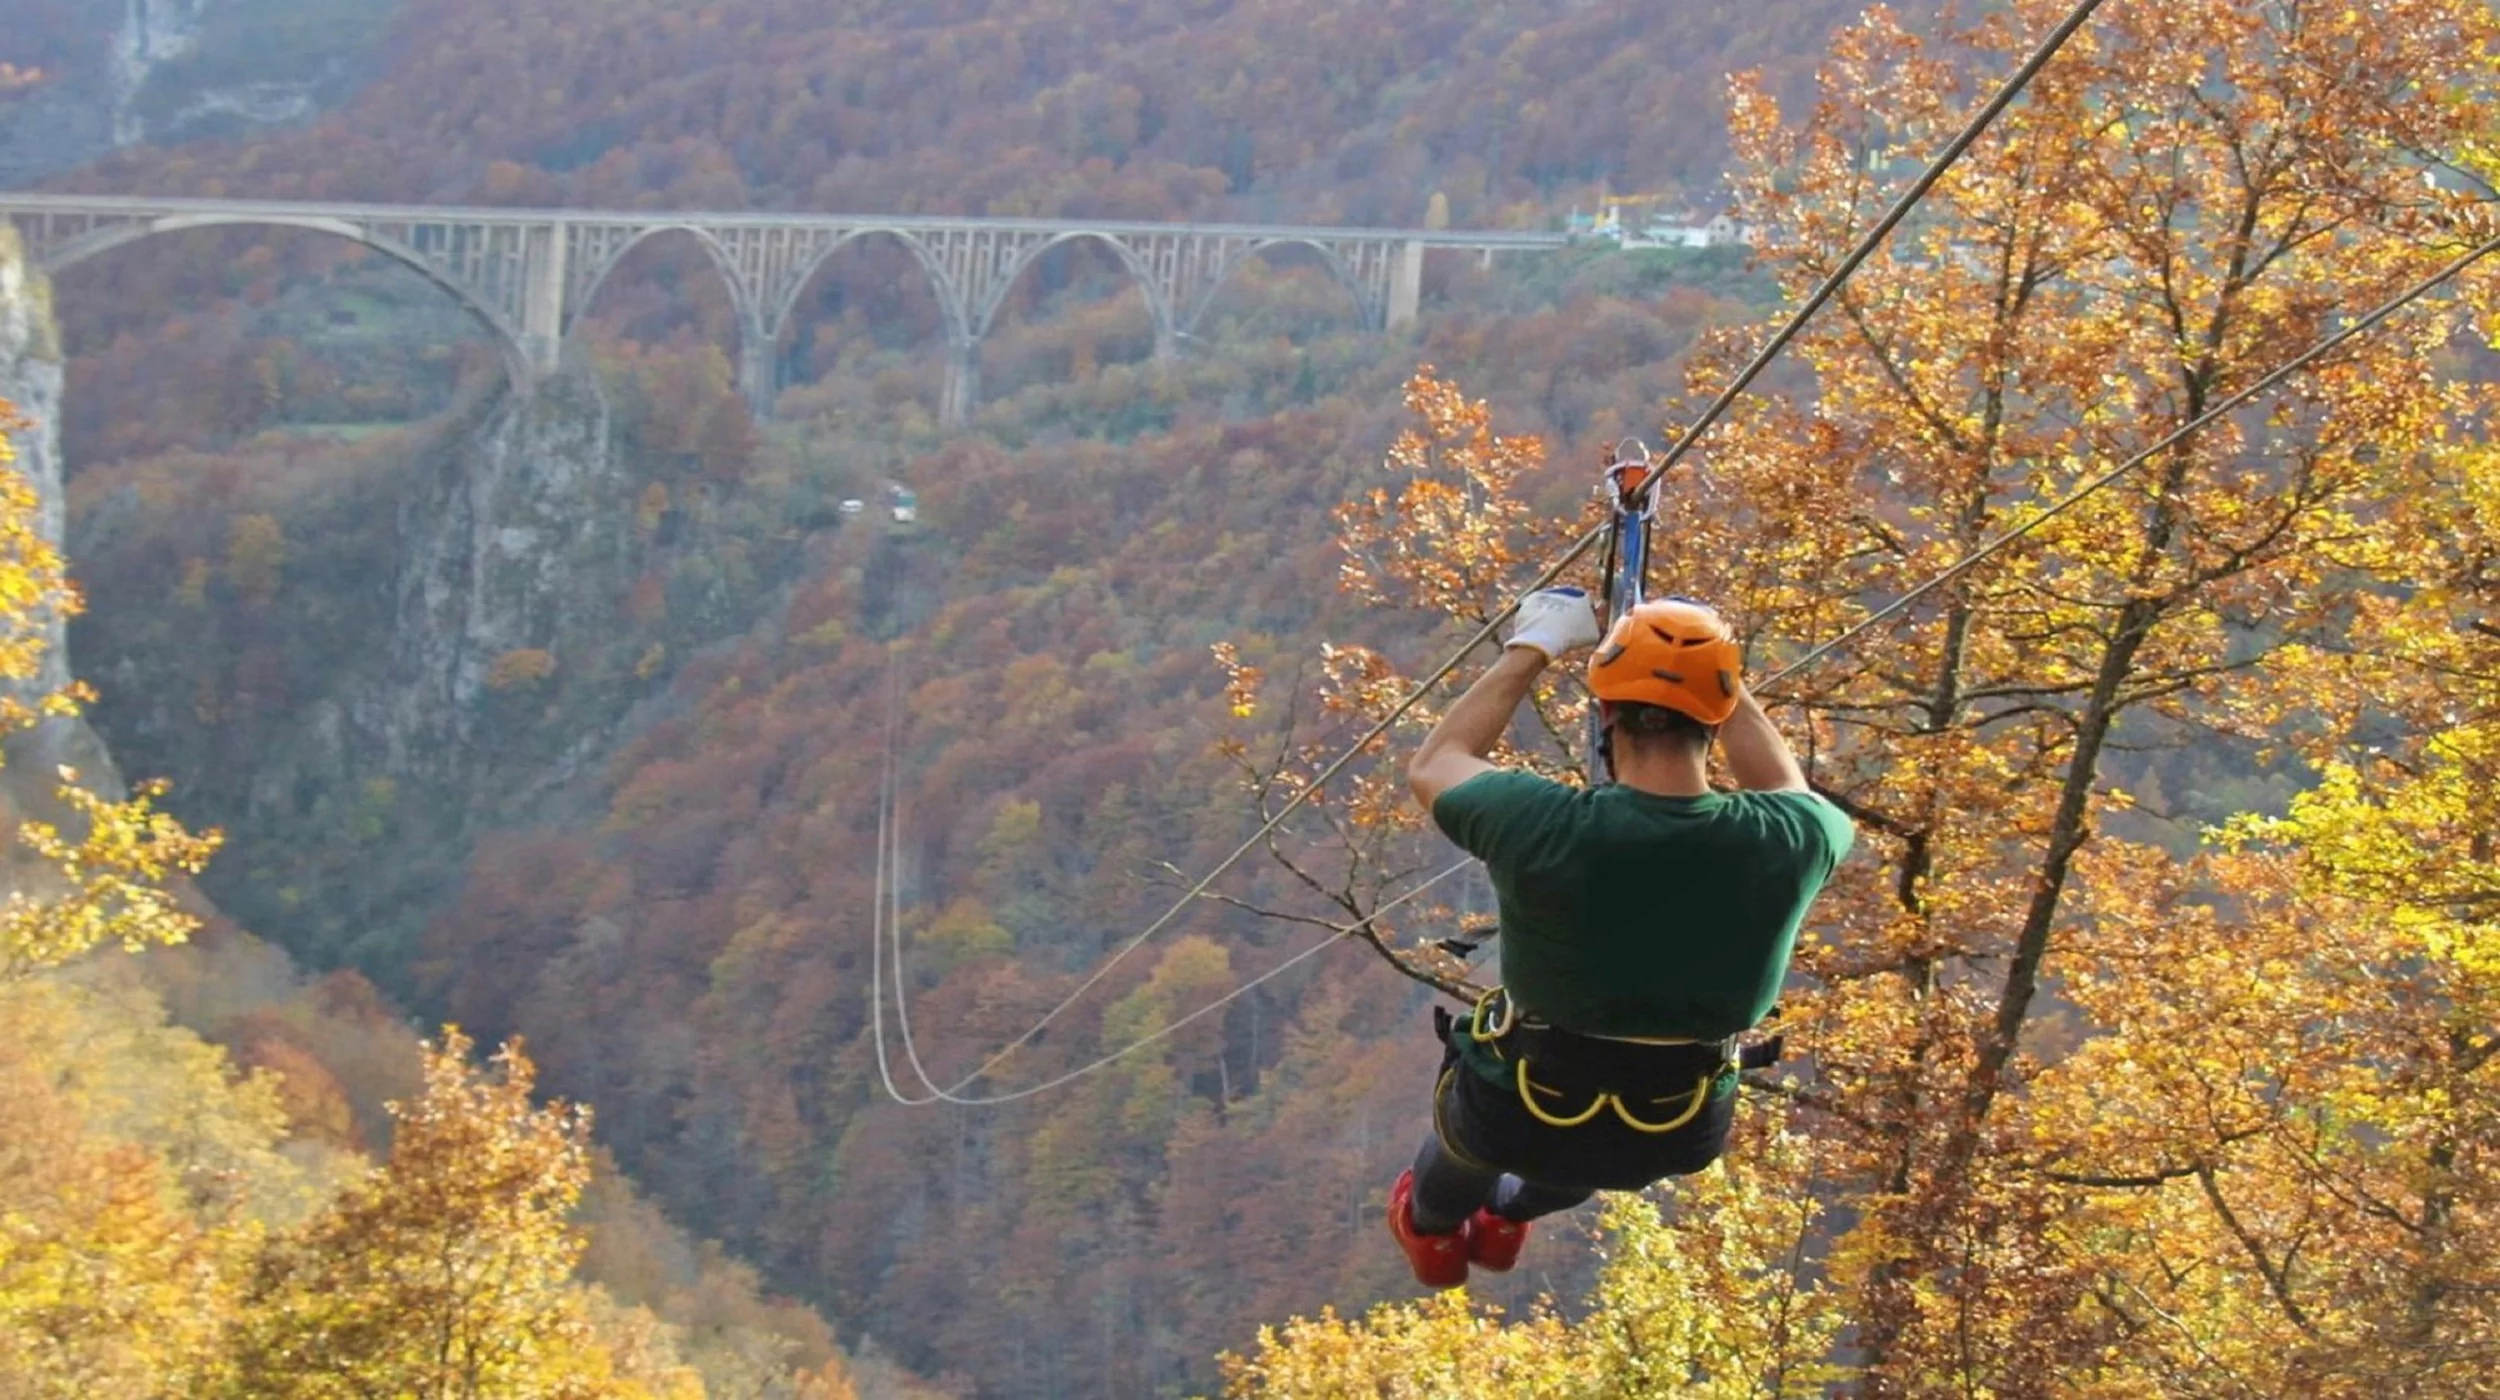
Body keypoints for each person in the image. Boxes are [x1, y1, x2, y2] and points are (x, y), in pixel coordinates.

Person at [1385, 586, 1854, 1288]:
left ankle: (1432, 1236)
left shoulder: (1543, 825)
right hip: (1675, 1127)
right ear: (1716, 717)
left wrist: (1534, 646)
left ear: (1605, 714)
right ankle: (1506, 1220)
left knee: (1470, 1140)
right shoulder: (1791, 838)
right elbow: (1786, 786)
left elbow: (1438, 760)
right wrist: (1707, 667)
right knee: (1593, 1155)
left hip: (1518, 1103)